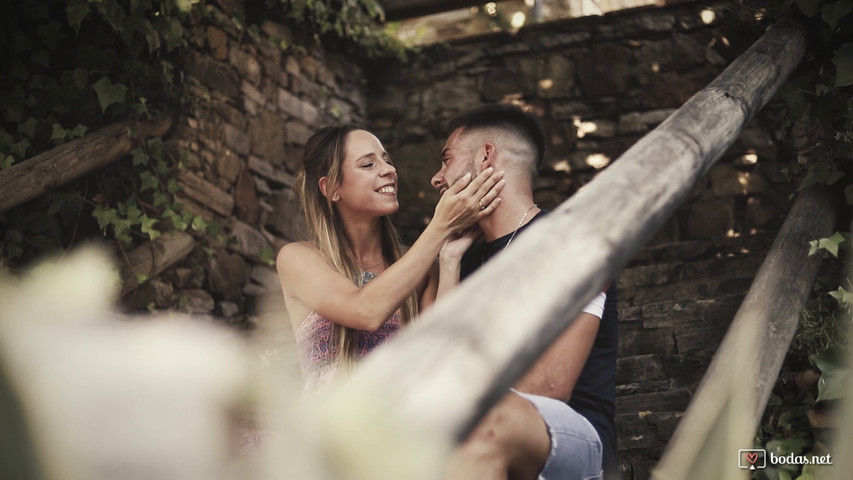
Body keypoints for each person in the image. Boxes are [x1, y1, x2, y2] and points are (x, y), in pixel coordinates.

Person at [430, 104, 619, 480]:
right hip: (481, 424)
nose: (437, 179)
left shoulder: (573, 241)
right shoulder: (462, 258)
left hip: (572, 436)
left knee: (478, 424)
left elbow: (549, 385)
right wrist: (449, 260)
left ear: (486, 155)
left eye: (446, 160)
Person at [276, 124, 505, 392]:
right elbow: (365, 311)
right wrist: (439, 226)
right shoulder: (298, 258)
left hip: (398, 426)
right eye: (367, 165)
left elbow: (441, 356)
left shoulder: (419, 267)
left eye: (386, 159)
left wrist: (449, 258)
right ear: (331, 188)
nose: (389, 170)